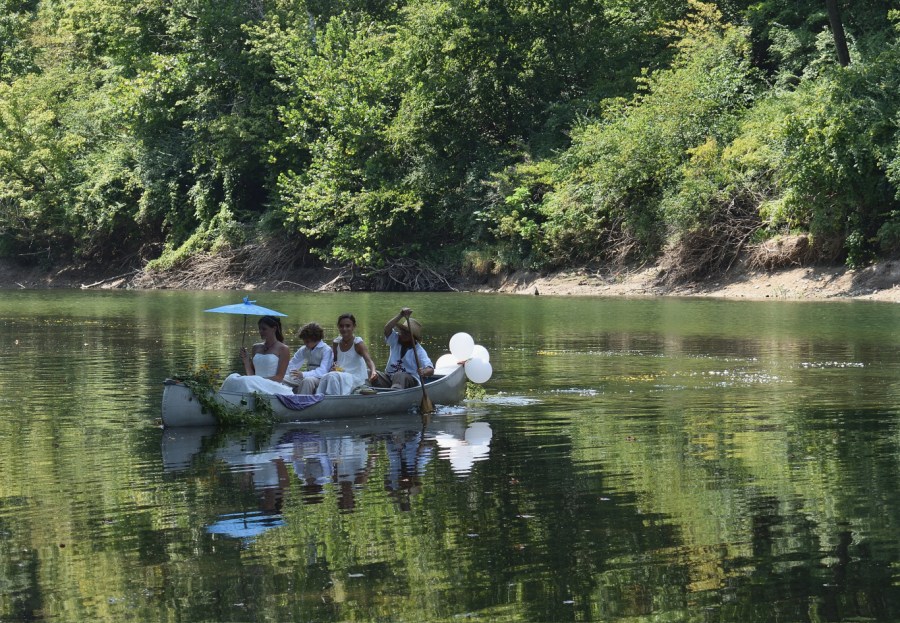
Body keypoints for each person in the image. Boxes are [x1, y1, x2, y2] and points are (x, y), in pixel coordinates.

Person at [220, 316, 294, 395]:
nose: (260, 331)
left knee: (245, 380)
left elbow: (279, 378)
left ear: (274, 329)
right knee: (232, 378)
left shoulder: (283, 349)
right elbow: (251, 375)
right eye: (259, 329)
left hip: (272, 386)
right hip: (255, 384)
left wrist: (257, 380)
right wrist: (246, 360)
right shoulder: (256, 347)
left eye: (264, 329)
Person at [371, 307, 434, 390]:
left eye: (406, 333)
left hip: (409, 381)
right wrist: (401, 315)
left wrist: (423, 372)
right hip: (389, 378)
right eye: (402, 331)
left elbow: (430, 369)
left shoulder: (419, 351)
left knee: (399, 374)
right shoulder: (396, 339)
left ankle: (394, 394)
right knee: (369, 372)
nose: (402, 334)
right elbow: (387, 329)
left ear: (413, 337)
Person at [316, 313, 379, 395]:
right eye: (341, 326)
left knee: (332, 376)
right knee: (325, 377)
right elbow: (335, 361)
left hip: (355, 378)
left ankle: (335, 399)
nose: (344, 329)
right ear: (338, 327)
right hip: (340, 375)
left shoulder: (358, 343)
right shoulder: (336, 343)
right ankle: (319, 397)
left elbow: (369, 360)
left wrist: (373, 372)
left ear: (354, 327)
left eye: (348, 326)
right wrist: (333, 367)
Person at [286, 322, 334, 394]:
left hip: (321, 379)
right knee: (283, 379)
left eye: (307, 341)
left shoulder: (326, 350)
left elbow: (323, 371)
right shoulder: (304, 349)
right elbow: (292, 364)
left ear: (316, 339)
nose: (305, 344)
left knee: (307, 381)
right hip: (306, 376)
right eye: (304, 341)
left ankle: (301, 401)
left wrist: (303, 374)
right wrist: (287, 374)